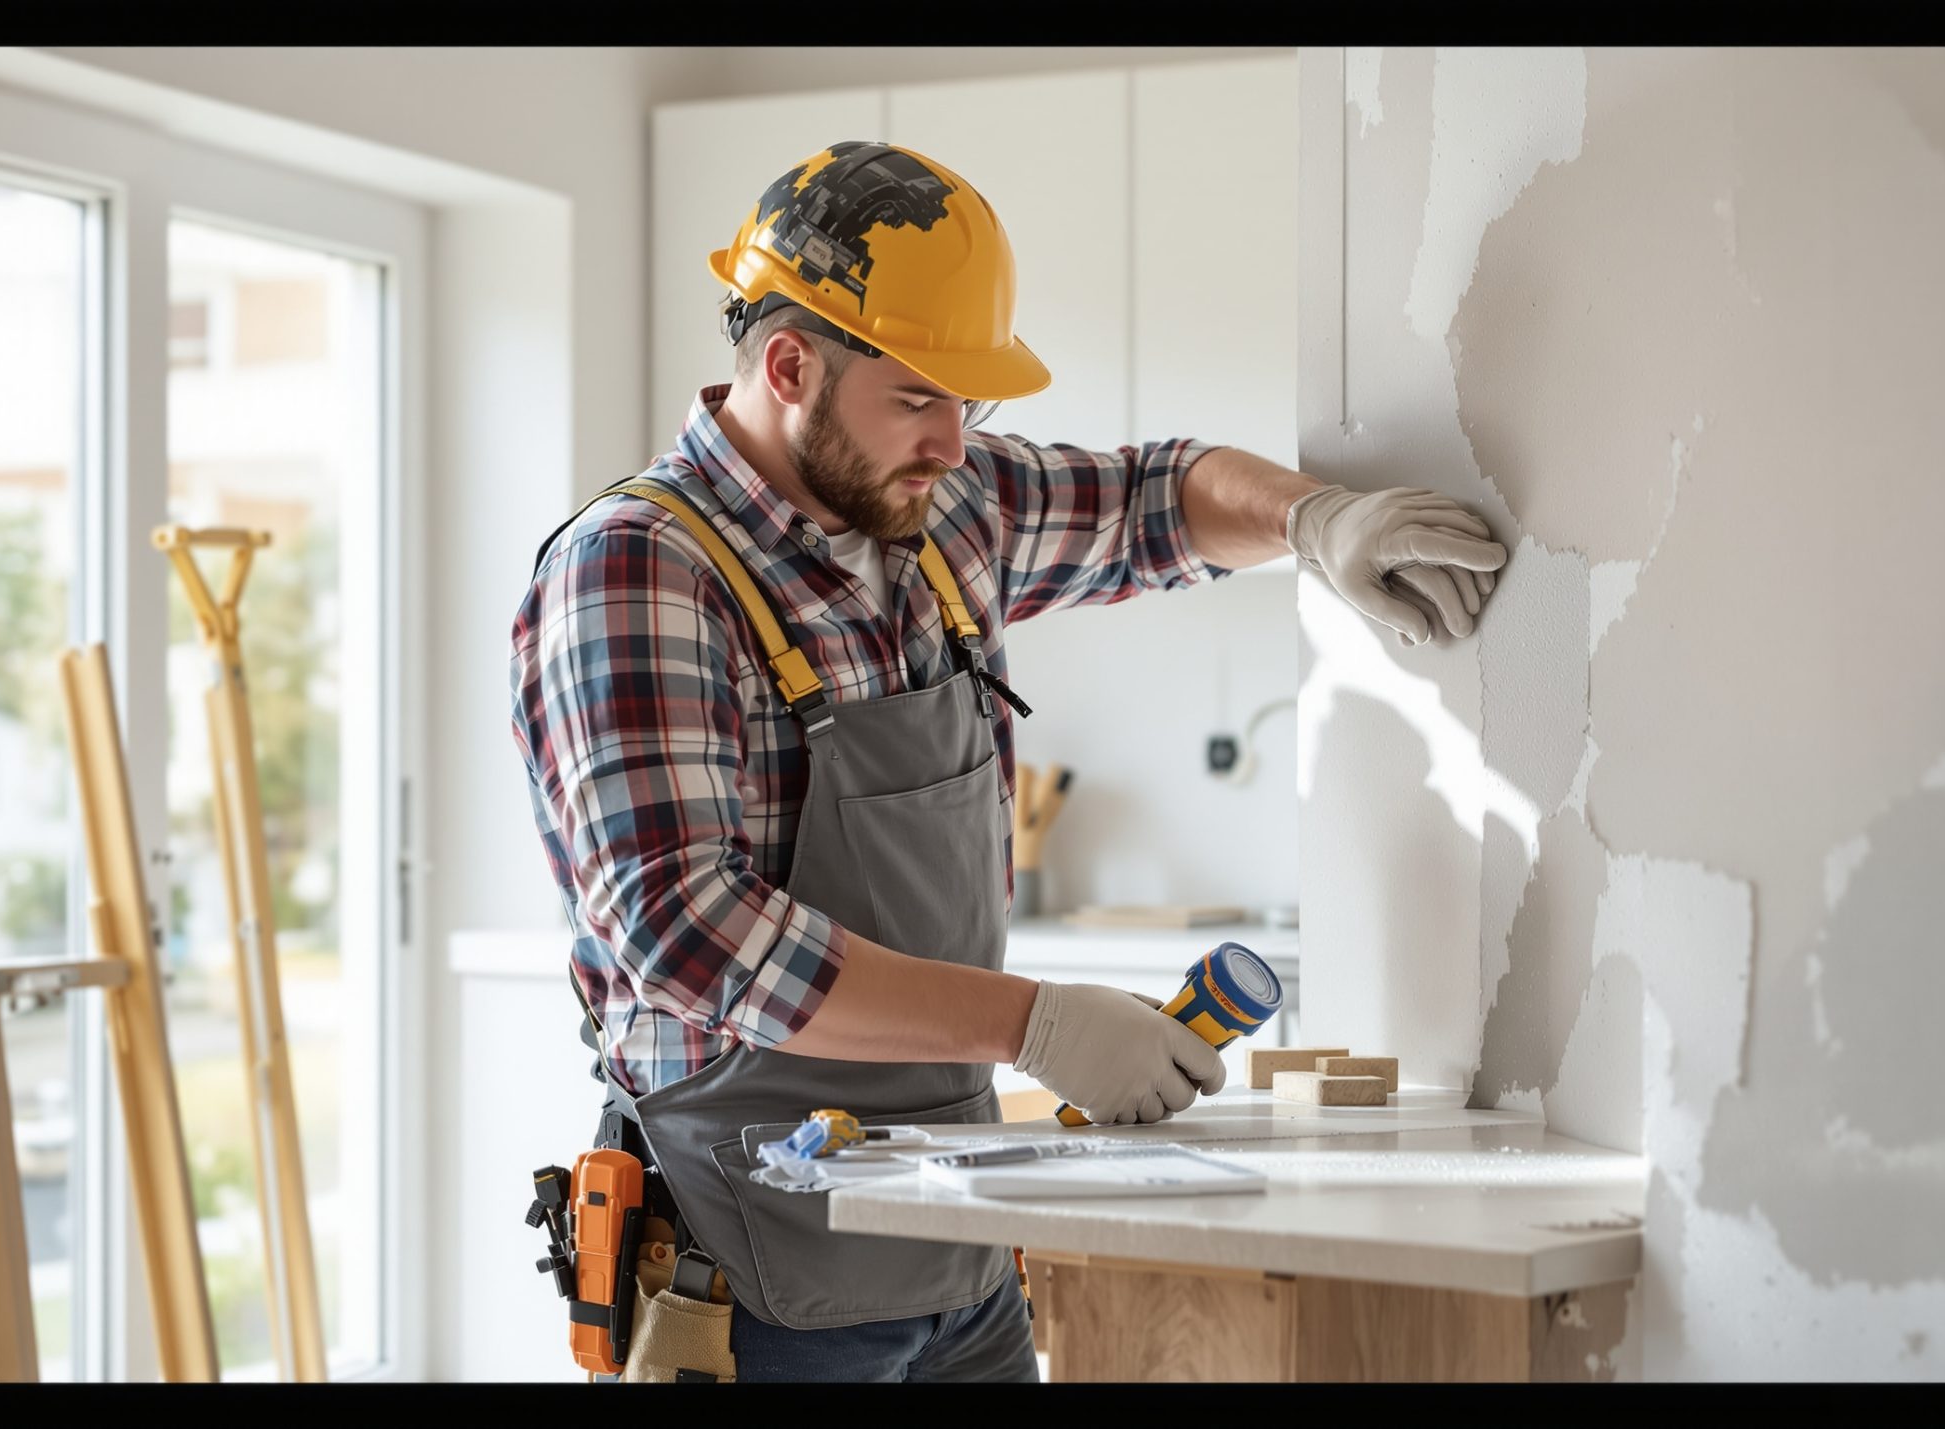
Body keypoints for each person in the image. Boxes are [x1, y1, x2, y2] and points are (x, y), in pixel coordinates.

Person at [509, 140, 1509, 1382]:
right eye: (919, 397)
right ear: (786, 366)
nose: (951, 439)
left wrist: (1316, 522)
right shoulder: (635, 569)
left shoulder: (934, 507)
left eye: (967, 405)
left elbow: (1159, 496)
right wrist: (1031, 1023)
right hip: (749, 1258)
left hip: (956, 1238)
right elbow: (686, 932)